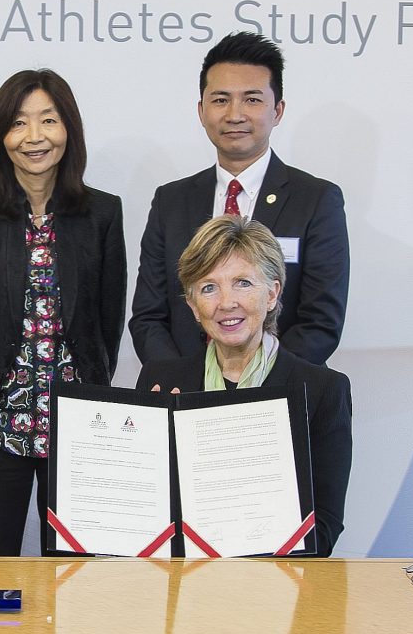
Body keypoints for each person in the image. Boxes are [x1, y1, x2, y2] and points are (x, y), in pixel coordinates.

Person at [0, 70, 125, 556]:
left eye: (48, 120)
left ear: (69, 129)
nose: (34, 136)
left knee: (72, 570)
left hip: (76, 421)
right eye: (18, 123)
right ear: (0, 136)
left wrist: (94, 392)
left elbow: (108, 320)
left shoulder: (103, 213)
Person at [128, 30, 348, 365]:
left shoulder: (316, 201)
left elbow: (320, 322)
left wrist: (253, 382)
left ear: (277, 111)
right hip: (184, 390)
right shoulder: (170, 201)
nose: (235, 114)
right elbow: (149, 317)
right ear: (201, 110)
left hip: (278, 389)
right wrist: (180, 379)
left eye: (252, 100)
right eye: (220, 100)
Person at [137, 216, 351, 556]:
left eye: (243, 283)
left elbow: (323, 530)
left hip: (275, 579)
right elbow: (143, 514)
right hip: (183, 578)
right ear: (193, 306)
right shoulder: (160, 382)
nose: (226, 303)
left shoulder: (323, 389)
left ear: (272, 293)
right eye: (209, 287)